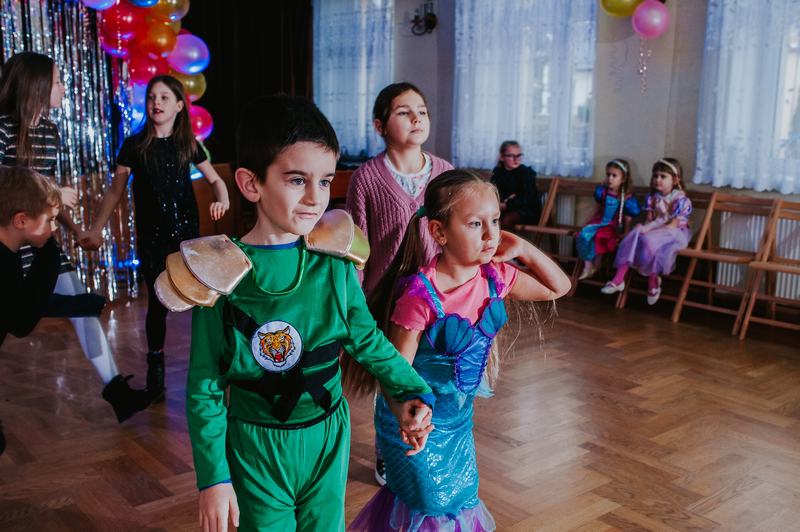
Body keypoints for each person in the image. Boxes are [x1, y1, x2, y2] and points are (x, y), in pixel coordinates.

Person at [186, 94, 436, 532]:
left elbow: (366, 339)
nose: (314, 198)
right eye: (297, 180)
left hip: (328, 436)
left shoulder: (334, 263)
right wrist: (214, 478)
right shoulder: (218, 274)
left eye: (324, 181)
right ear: (251, 184)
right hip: (255, 446)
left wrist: (410, 390)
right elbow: (205, 386)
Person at [348, 170, 571, 531]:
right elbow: (394, 373)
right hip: (415, 421)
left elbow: (558, 287)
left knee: (459, 499)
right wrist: (410, 419)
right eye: (475, 224)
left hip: (458, 422)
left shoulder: (496, 277)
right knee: (430, 504)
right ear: (439, 232)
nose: (490, 234)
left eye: (495, 221)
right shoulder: (421, 296)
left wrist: (523, 248)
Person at [0, 51, 149, 422]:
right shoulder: (3, 129)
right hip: (8, 245)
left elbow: (51, 196)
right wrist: (46, 194)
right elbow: (10, 189)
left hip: (41, 242)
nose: (63, 88)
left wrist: (77, 229)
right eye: (57, 81)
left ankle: (117, 391)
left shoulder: (49, 132)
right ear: (36, 86)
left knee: (83, 307)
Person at [80, 75, 229, 402]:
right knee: (158, 304)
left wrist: (223, 199)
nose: (156, 102)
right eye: (151, 97)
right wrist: (96, 228)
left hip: (186, 238)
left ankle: (212, 363)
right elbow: (114, 192)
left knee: (201, 301)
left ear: (179, 106)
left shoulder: (188, 144)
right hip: (152, 238)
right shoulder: (134, 146)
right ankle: (156, 370)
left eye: (163, 97)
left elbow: (217, 180)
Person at [345, 81, 453, 485]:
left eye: (422, 111)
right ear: (380, 125)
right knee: (392, 377)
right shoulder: (366, 178)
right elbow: (357, 246)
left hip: (435, 299)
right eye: (404, 112)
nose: (416, 119)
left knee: (429, 373)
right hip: (386, 300)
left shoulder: (444, 172)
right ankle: (387, 450)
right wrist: (355, 302)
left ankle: (426, 443)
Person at [601, 158, 692, 305]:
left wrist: (649, 231)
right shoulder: (652, 198)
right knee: (635, 234)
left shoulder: (680, 199)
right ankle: (619, 279)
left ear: (675, 180)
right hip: (656, 229)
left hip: (673, 232)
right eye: (655, 176)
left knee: (650, 241)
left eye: (663, 176)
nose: (658, 179)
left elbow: (672, 225)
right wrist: (644, 229)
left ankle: (653, 281)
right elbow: (650, 221)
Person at [575, 158, 641, 280]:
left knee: (601, 236)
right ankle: (588, 265)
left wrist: (625, 233)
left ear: (623, 179)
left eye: (614, 175)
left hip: (612, 226)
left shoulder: (626, 198)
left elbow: (628, 218)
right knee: (583, 234)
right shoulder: (603, 192)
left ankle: (597, 264)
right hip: (599, 221)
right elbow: (597, 209)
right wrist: (588, 222)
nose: (610, 178)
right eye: (608, 174)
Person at [490, 140, 541, 230]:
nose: (516, 159)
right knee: (486, 216)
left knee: (505, 220)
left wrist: (507, 204)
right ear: (502, 157)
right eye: (511, 156)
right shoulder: (498, 173)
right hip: (504, 207)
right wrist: (506, 199)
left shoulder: (526, 173)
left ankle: (501, 239)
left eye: (518, 155)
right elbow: (495, 192)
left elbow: (526, 197)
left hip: (526, 211)